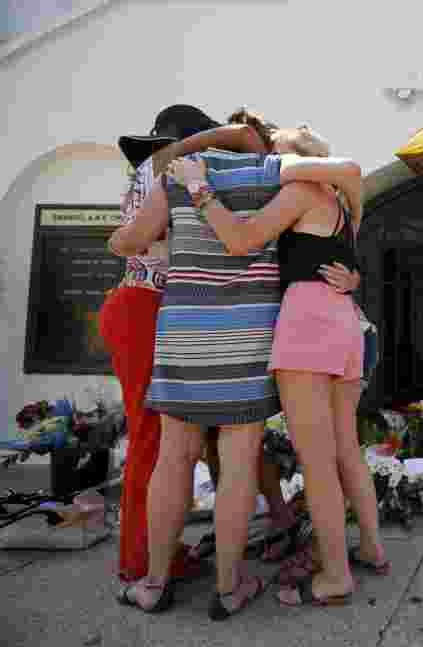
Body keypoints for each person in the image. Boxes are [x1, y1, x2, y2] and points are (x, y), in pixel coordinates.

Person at [109, 129, 365, 619]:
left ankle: (154, 583)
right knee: (239, 462)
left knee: (173, 458)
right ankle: (228, 588)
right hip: (248, 334)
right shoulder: (274, 173)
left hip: (185, 328)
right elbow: (342, 181)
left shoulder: (177, 176)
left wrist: (145, 238)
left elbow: (129, 241)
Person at [167, 124, 388, 609]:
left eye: (274, 156)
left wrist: (199, 188)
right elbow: (335, 258)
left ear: (292, 158)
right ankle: (371, 547)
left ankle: (335, 575)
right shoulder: (342, 205)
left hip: (308, 323)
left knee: (316, 463)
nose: (266, 167)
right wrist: (354, 278)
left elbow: (241, 240)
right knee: (344, 448)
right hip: (344, 319)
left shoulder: (301, 190)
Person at [101, 104, 254, 584]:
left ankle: (155, 550)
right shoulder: (165, 172)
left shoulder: (161, 170)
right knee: (152, 437)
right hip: (146, 307)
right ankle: (141, 561)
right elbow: (130, 240)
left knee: (166, 439)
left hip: (146, 307)